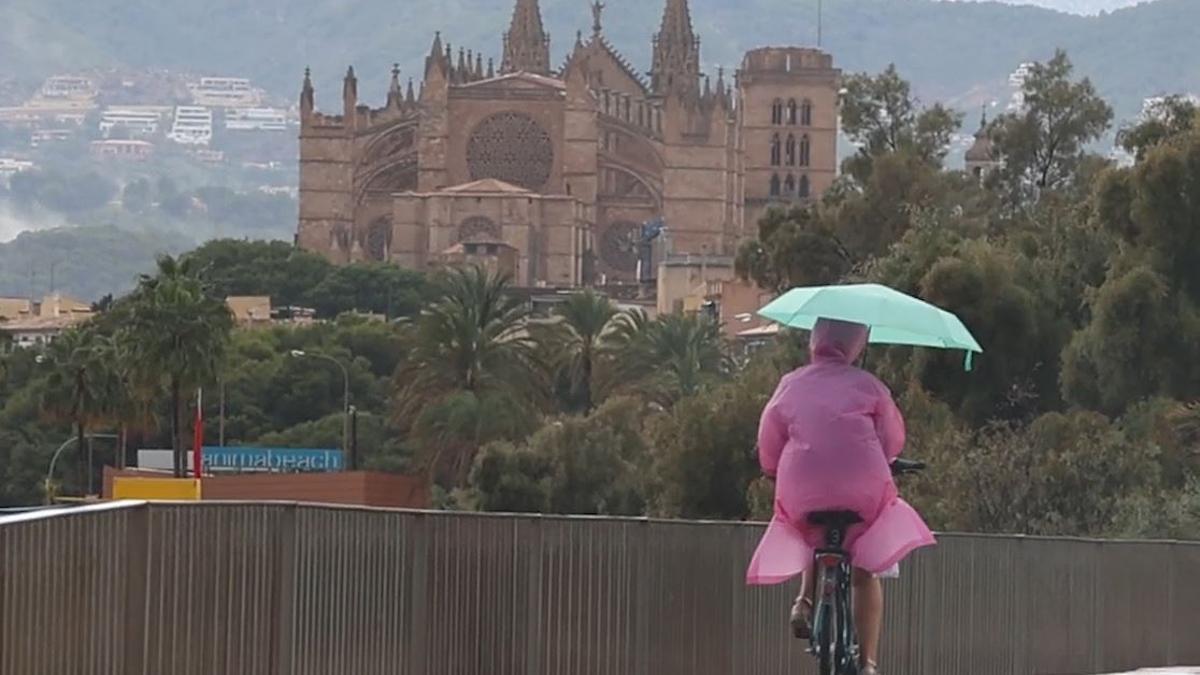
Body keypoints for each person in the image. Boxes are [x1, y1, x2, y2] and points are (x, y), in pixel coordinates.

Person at [745, 318, 935, 675]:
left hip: (802, 489)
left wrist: (773, 468)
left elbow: (769, 439)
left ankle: (803, 600)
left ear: (814, 340)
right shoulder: (869, 385)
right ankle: (868, 664)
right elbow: (892, 440)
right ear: (856, 344)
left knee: (805, 529)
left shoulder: (790, 384)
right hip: (862, 491)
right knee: (866, 570)